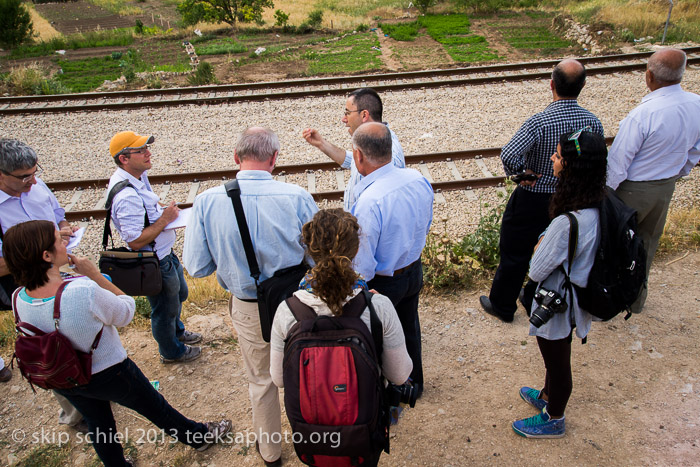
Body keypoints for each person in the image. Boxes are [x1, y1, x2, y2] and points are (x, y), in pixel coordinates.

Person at [2, 220, 231, 467]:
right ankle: (198, 436)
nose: (65, 242)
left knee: (98, 423)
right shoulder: (82, 290)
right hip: (109, 371)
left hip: (64, 377)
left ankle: (117, 465)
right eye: (59, 240)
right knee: (157, 408)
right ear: (47, 255)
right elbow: (126, 312)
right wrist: (95, 276)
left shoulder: (18, 297)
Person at [183, 127, 318, 467]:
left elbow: (197, 267)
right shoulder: (297, 196)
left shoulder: (207, 200)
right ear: (274, 159)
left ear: (235, 158)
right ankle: (319, 442)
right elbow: (318, 257)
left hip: (248, 307)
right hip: (298, 302)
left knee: (261, 380)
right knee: (308, 369)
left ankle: (271, 453)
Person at [270, 209, 413, 465]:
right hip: (362, 431)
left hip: (313, 435)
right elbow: (400, 375)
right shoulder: (378, 307)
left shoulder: (287, 310)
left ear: (309, 251)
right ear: (355, 250)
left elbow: (279, 379)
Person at [480, 59, 604, 323]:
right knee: (559, 252)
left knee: (515, 253)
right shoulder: (592, 121)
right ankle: (533, 296)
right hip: (575, 200)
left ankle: (502, 305)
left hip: (534, 198)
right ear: (583, 86)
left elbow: (510, 154)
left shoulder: (540, 122)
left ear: (551, 84)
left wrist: (523, 176)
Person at [512, 129, 608, 438]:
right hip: (577, 293)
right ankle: (547, 395)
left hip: (559, 301)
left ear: (569, 167)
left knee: (556, 359)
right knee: (558, 352)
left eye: (556, 156)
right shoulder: (598, 203)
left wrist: (541, 241)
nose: (552, 160)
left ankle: (555, 416)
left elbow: (538, 270)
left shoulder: (567, 223)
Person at [607, 48, 700, 313]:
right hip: (665, 186)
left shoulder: (642, 115)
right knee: (647, 243)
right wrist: (678, 173)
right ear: (682, 74)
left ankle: (611, 299)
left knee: (617, 243)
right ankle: (636, 299)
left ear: (649, 76)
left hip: (632, 189)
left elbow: (618, 162)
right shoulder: (696, 104)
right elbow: (695, 150)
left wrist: (606, 195)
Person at [0, 138, 85, 428]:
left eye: (35, 172)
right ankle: (75, 413)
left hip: (59, 275)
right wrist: (44, 254)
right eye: (24, 176)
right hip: (26, 286)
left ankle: (90, 387)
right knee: (51, 349)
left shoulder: (36, 185)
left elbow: (58, 215)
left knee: (77, 336)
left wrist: (63, 229)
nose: (33, 180)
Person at [350, 122, 433, 399]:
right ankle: (414, 385)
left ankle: (390, 393)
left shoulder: (369, 200)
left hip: (384, 282)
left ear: (359, 155)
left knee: (382, 339)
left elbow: (362, 260)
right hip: (414, 269)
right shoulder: (417, 179)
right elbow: (426, 224)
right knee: (409, 327)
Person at [107, 131, 202, 364]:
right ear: (124, 159)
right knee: (164, 309)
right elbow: (135, 241)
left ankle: (177, 331)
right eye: (140, 150)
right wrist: (165, 219)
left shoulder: (138, 177)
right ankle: (171, 351)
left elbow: (146, 209)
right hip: (155, 262)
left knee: (179, 295)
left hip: (164, 255)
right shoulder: (126, 196)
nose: (148, 153)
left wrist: (158, 210)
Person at [302, 88, 405, 210]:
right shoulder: (377, 145)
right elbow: (353, 160)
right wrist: (321, 144)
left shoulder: (391, 154)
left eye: (348, 113)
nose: (344, 119)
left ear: (364, 115)